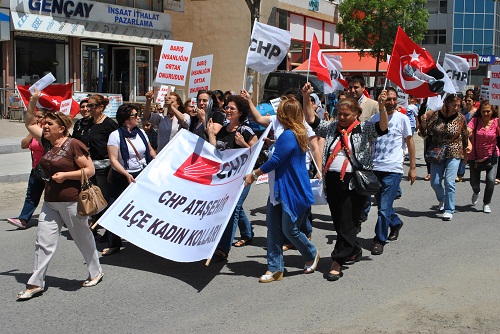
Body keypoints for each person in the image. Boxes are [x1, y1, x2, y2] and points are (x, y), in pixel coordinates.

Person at [17, 89, 102, 300]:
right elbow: (29, 123)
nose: (44, 126)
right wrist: (33, 101)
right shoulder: (47, 143)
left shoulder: (73, 144)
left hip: (72, 201)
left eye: (49, 124)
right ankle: (35, 282)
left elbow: (89, 170)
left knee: (82, 238)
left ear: (61, 129)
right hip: (51, 202)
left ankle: (96, 271)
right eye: (44, 124)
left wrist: (66, 175)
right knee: (43, 242)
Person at [303, 83, 388, 281]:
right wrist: (306, 97)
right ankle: (354, 249)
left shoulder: (364, 128)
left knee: (348, 222)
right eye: (339, 113)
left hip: (355, 181)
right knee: (340, 221)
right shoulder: (332, 127)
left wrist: (382, 108)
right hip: (332, 181)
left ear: (356, 113)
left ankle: (337, 261)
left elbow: (382, 127)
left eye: (346, 114)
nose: (341, 118)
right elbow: (311, 119)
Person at [244, 95, 319, 283]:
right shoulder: (294, 132)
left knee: (289, 229)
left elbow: (276, 161)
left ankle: (311, 253)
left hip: (290, 189)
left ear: (287, 114)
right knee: (273, 228)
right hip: (279, 188)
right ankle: (275, 268)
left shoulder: (289, 134)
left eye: (281, 111)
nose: (277, 113)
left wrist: (254, 173)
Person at [207, 95, 258, 259]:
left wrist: (243, 144)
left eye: (232, 108)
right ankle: (247, 233)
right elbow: (218, 152)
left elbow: (257, 152)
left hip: (243, 177)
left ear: (240, 112)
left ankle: (223, 248)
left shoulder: (245, 130)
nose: (228, 110)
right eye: (227, 107)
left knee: (233, 207)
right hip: (226, 177)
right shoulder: (222, 129)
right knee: (235, 206)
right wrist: (211, 136)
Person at [369, 88, 416, 255]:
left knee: (382, 209)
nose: (391, 102)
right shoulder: (374, 119)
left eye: (394, 99)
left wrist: (412, 167)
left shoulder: (402, 119)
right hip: (375, 169)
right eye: (388, 99)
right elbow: (370, 143)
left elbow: (410, 143)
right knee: (383, 206)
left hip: (393, 169)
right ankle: (395, 222)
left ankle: (378, 240)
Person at [104, 104, 156, 255]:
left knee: (145, 210)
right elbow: (113, 160)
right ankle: (114, 244)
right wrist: (126, 174)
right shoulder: (114, 136)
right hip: (122, 176)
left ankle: (145, 241)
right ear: (127, 120)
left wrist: (157, 159)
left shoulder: (141, 133)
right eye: (135, 115)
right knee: (114, 208)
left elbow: (150, 150)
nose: (138, 118)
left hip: (141, 175)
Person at [420, 94, 470, 221]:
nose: (457, 108)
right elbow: (424, 134)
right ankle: (442, 199)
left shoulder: (461, 118)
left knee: (449, 181)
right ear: (446, 104)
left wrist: (466, 151)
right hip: (437, 152)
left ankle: (449, 209)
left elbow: (464, 135)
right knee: (435, 182)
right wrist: (423, 123)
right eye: (454, 105)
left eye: (459, 105)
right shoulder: (436, 115)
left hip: (454, 152)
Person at [7, 109, 46, 229]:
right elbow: (23, 144)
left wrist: (39, 131)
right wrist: (32, 131)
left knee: (54, 198)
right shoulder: (34, 132)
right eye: (36, 117)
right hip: (36, 169)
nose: (37, 119)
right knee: (31, 195)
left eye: (40, 117)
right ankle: (23, 219)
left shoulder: (47, 132)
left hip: (49, 170)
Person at [87, 94, 118, 222]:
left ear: (101, 107)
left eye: (91, 105)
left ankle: (106, 227)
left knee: (103, 198)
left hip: (105, 167)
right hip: (91, 166)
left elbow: (117, 144)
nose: (89, 108)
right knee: (93, 198)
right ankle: (96, 224)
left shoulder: (109, 124)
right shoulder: (89, 123)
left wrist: (113, 167)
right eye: (88, 105)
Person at [467, 100, 499, 213]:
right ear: (480, 111)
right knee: (474, 183)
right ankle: (476, 192)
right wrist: (466, 135)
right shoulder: (475, 121)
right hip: (475, 157)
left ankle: (486, 203)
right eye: (483, 111)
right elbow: (468, 130)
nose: (486, 113)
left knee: (490, 181)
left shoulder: (496, 122)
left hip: (492, 156)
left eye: (488, 111)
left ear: (492, 111)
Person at [456, 95, 478, 182]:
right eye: (466, 100)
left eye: (470, 100)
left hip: (470, 136)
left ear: (474, 102)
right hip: (460, 135)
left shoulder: (476, 113)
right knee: (459, 154)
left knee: (466, 155)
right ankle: (457, 172)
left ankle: (460, 174)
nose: (468, 102)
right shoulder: (461, 111)